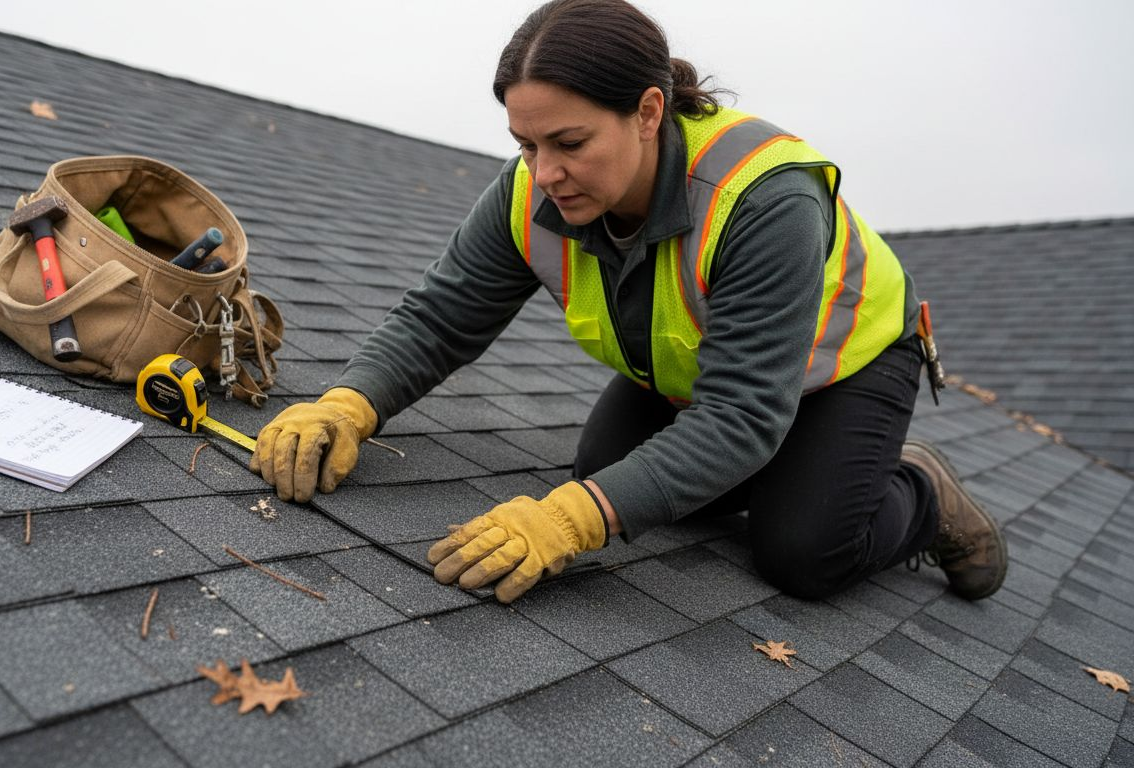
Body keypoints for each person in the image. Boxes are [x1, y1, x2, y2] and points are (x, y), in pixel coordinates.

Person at [250, 0, 1007, 605]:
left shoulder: (763, 199)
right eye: (525, 144)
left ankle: (920, 492)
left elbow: (742, 415)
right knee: (611, 471)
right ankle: (808, 470)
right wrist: (347, 404)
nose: (544, 173)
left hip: (845, 367)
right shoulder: (533, 189)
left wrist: (570, 520)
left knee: (803, 551)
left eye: (570, 143)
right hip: (710, 381)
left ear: (648, 111)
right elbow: (441, 317)